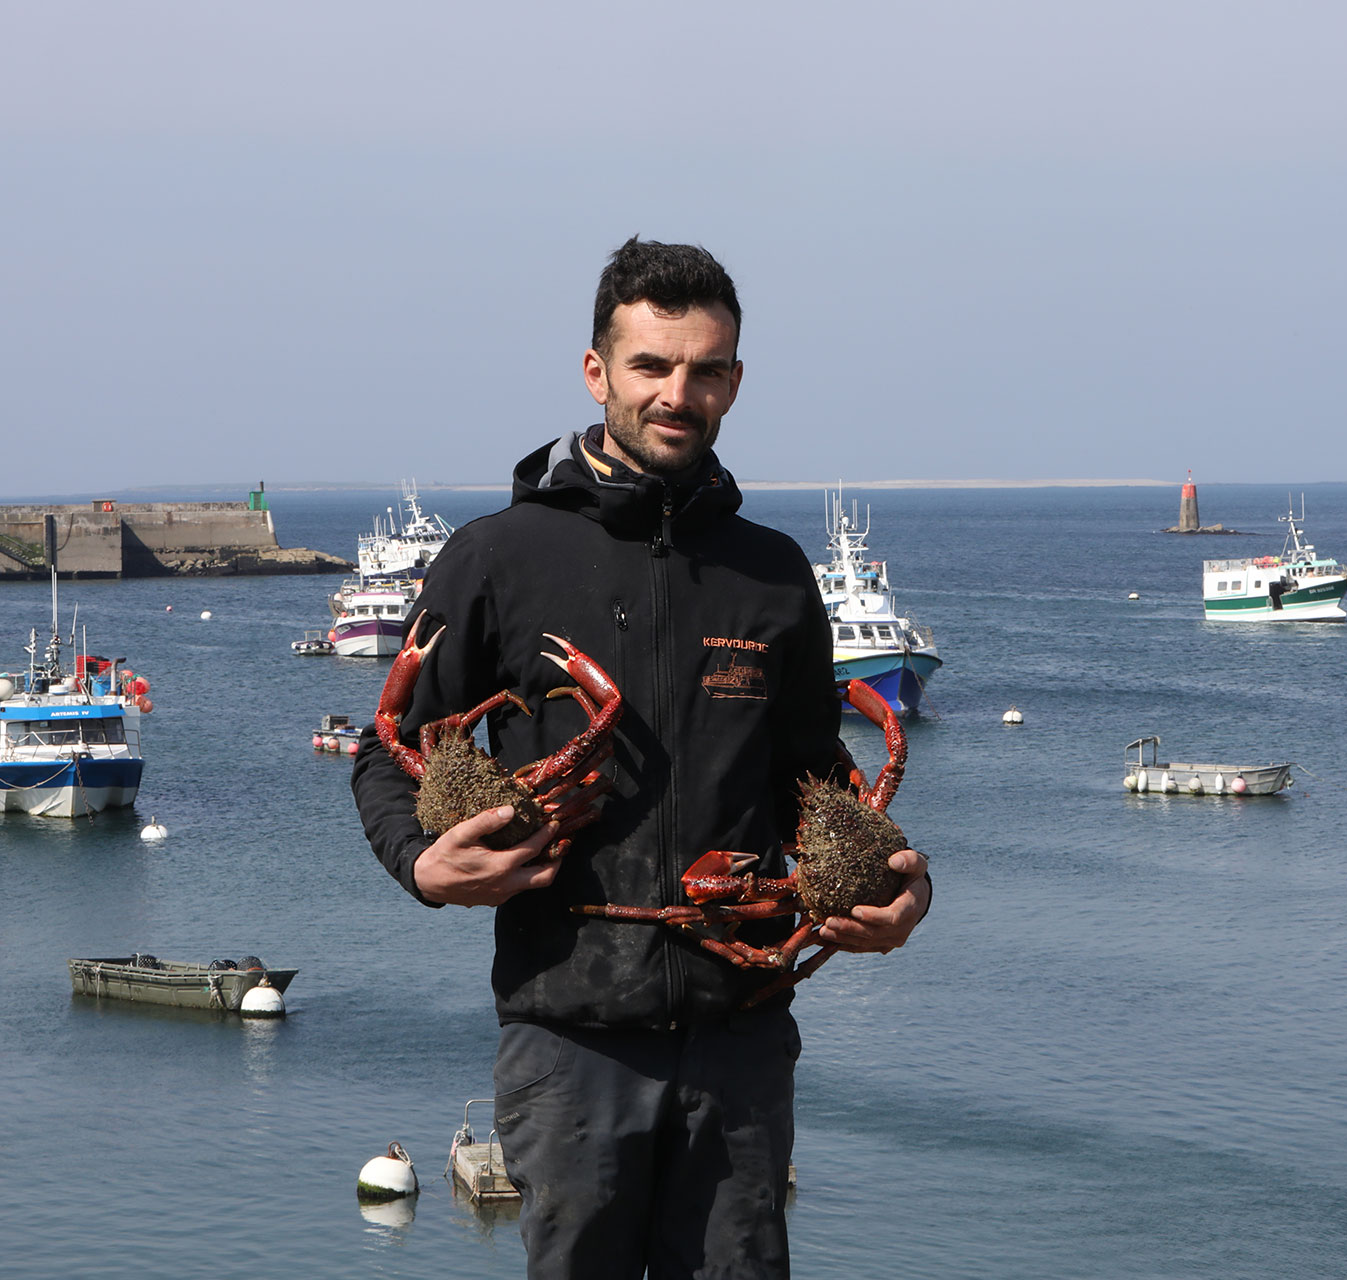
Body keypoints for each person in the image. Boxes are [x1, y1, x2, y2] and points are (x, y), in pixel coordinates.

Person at [351, 237, 931, 1279]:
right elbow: (385, 751)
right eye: (652, 366)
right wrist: (421, 865)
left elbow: (819, 779)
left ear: (735, 383)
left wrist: (904, 883)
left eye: (706, 370)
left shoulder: (774, 573)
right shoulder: (497, 555)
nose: (679, 393)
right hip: (569, 1036)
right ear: (596, 372)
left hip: (742, 1038)